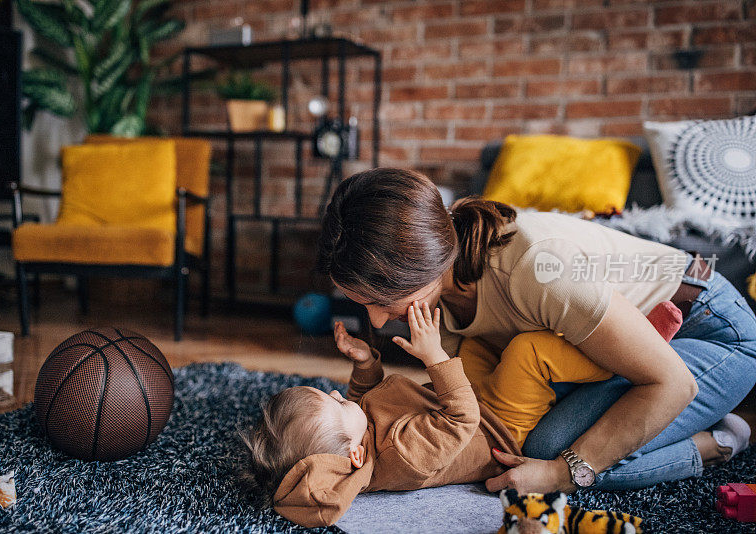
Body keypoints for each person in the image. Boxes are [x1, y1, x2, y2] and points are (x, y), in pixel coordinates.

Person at [316, 167, 756, 493]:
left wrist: (562, 474)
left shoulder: (536, 267)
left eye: (379, 302)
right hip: (604, 352)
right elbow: (473, 414)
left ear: (423, 268)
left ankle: (710, 444)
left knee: (547, 451)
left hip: (714, 332)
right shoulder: (438, 301)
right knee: (515, 439)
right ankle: (678, 422)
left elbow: (670, 381)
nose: (375, 321)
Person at [241, 302, 521, 528]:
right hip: (500, 427)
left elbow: (368, 400)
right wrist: (434, 355)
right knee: (527, 352)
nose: (338, 394)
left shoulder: (358, 439)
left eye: (329, 395)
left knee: (476, 347)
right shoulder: (402, 455)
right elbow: (462, 419)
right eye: (336, 404)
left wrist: (364, 363)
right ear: (356, 455)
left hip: (467, 400)